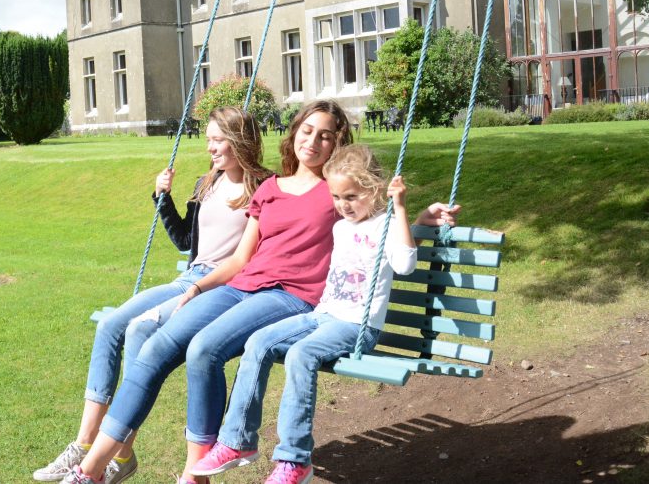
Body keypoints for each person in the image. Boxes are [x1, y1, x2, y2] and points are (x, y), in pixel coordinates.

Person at [61, 100, 355, 484]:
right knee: (156, 346)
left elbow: (375, 214)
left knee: (203, 349)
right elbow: (239, 259)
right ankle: (91, 471)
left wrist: (420, 217)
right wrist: (197, 286)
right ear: (294, 132)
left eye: (325, 136)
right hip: (240, 285)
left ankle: (192, 477)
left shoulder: (336, 189)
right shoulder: (269, 188)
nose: (313, 141)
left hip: (289, 296)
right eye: (307, 130)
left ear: (337, 144)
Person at [190, 145, 460, 484]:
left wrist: (403, 209)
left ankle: (294, 459)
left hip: (356, 326)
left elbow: (404, 263)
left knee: (302, 354)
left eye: (351, 196)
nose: (343, 205)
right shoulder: (342, 227)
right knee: (258, 341)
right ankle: (238, 440)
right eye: (336, 197)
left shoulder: (386, 222)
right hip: (324, 315)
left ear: (374, 189)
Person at [34, 107, 271, 483]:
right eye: (207, 139)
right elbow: (185, 240)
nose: (210, 147)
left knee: (139, 330)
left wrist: (201, 287)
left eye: (217, 139)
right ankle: (85, 444)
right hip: (191, 276)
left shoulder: (265, 187)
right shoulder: (206, 182)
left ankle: (120, 456)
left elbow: (256, 257)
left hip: (223, 289)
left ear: (239, 138)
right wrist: (163, 199)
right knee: (111, 325)